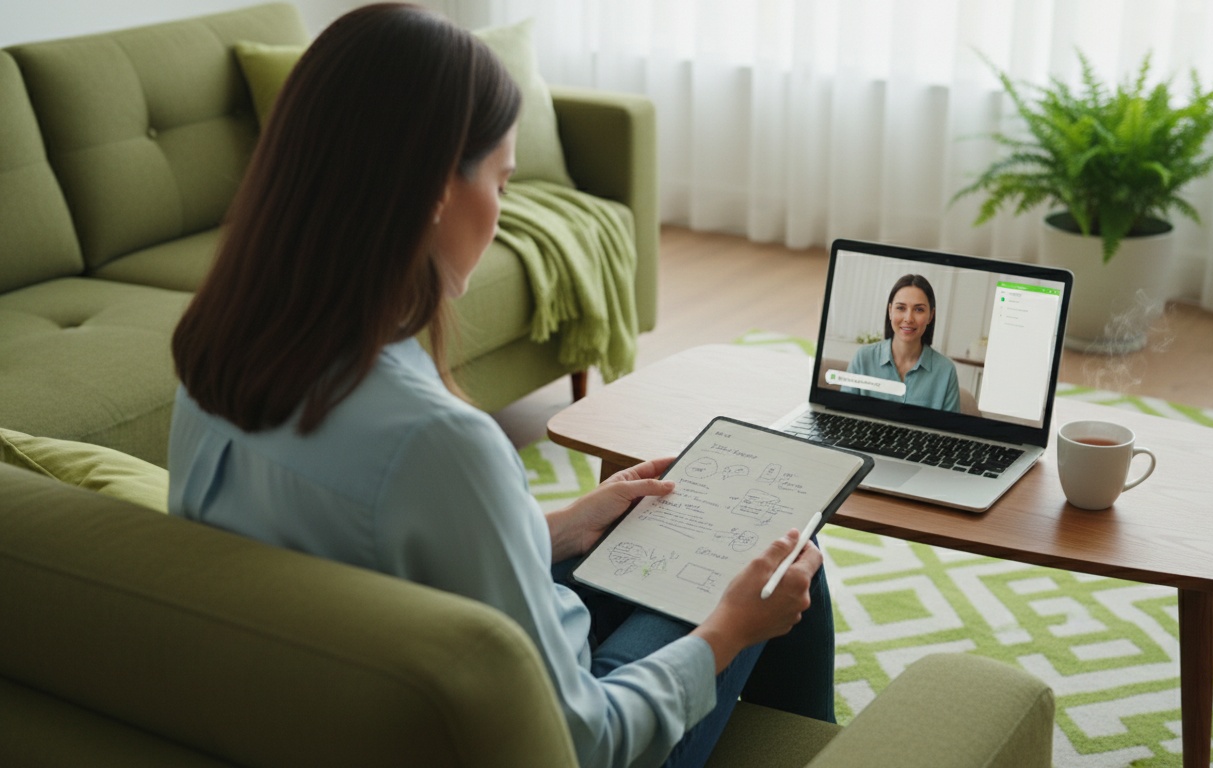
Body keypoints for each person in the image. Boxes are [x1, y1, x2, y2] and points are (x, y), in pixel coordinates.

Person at [166, 5, 835, 768]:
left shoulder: (214, 359)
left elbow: (370, 558)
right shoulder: (436, 443)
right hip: (555, 736)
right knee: (779, 550)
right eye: (502, 181)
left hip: (350, 705)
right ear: (435, 191)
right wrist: (728, 632)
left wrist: (558, 525)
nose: (501, 210)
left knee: (750, 553)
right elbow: (581, 744)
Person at [842, 274, 961, 411]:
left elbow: (949, 424)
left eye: (919, 309)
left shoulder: (946, 371)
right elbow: (844, 412)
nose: (908, 318)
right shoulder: (863, 358)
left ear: (931, 316)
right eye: (901, 308)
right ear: (890, 311)